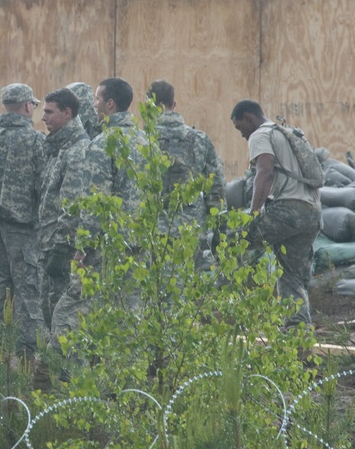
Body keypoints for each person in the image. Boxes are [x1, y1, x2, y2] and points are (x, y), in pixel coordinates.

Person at [52, 77, 148, 337]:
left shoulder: (102, 144)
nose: (93, 105)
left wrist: (82, 250)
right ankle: (127, 376)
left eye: (96, 99)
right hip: (139, 244)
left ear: (110, 104)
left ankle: (58, 371)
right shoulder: (146, 142)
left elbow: (97, 202)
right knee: (129, 313)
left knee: (71, 310)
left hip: (106, 247)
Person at [230, 99, 321, 327]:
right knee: (291, 275)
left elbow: (265, 171)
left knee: (235, 242)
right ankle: (298, 338)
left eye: (240, 128)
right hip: (312, 212)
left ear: (249, 118)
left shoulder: (260, 135)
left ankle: (212, 308)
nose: (242, 135)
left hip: (288, 210)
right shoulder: (286, 132)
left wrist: (253, 215)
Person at [0, 84, 46, 360]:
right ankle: (29, 356)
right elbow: (45, 187)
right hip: (25, 230)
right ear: (28, 106)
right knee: (29, 292)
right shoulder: (37, 142)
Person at [148, 80, 226, 262]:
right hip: (191, 228)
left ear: (148, 106)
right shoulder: (200, 138)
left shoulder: (145, 140)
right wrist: (219, 231)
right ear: (174, 105)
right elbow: (217, 187)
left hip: (153, 228)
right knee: (190, 285)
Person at [38, 87, 90, 330]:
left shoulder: (77, 150)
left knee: (62, 314)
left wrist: (61, 247)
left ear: (67, 113)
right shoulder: (59, 147)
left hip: (63, 250)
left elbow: (73, 205)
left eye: (49, 112)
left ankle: (62, 366)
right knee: (49, 308)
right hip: (50, 243)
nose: (43, 118)